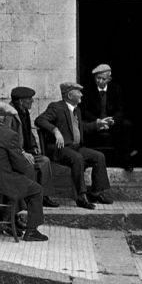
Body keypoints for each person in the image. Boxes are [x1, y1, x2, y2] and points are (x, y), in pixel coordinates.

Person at [0, 102, 49, 241]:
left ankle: (5, 218)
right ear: (5, 118)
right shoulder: (9, 135)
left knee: (20, 181)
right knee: (36, 189)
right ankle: (31, 231)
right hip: (1, 181)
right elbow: (21, 165)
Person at [35, 82, 112, 210]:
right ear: (70, 95)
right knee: (77, 158)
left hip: (75, 148)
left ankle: (96, 193)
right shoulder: (56, 107)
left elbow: (82, 127)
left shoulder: (77, 110)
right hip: (60, 149)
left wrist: (97, 125)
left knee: (99, 156)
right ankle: (81, 197)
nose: (81, 94)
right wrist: (55, 130)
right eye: (78, 92)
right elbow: (39, 120)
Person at [9, 86, 59, 208]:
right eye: (29, 99)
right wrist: (22, 152)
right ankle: (28, 199)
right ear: (21, 101)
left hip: (27, 151)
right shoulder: (10, 114)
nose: (32, 101)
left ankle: (44, 196)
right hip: (16, 154)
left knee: (45, 161)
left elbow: (27, 133)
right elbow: (9, 138)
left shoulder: (24, 112)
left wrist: (33, 146)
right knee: (29, 165)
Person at [81, 63, 136, 170]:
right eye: (98, 78)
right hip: (95, 121)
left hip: (111, 122)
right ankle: (85, 161)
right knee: (82, 126)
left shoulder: (116, 89)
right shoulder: (88, 90)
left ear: (109, 79)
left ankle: (125, 161)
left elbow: (120, 110)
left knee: (127, 125)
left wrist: (112, 121)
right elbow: (84, 110)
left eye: (103, 79)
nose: (100, 81)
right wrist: (98, 121)